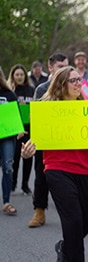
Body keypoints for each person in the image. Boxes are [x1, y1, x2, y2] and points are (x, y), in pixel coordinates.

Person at [21, 66, 88, 262]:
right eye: (74, 80)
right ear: (62, 84)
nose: (79, 83)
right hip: (58, 170)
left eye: (79, 79)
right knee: (73, 221)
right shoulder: (47, 109)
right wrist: (27, 152)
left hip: (86, 171)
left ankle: (65, 247)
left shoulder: (87, 108)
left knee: (85, 221)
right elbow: (34, 140)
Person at [28, 52, 69, 228]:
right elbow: (37, 117)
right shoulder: (41, 89)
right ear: (50, 67)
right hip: (45, 140)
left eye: (67, 66)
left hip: (66, 139)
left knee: (70, 176)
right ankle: (39, 210)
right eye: (61, 67)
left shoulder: (72, 86)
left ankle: (81, 212)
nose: (64, 70)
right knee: (41, 176)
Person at [7, 64, 35, 195]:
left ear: (25, 76)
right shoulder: (9, 90)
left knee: (28, 158)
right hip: (14, 130)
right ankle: (13, 184)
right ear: (13, 76)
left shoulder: (31, 90)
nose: (19, 77)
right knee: (15, 157)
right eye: (17, 74)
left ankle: (25, 185)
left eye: (21, 75)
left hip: (29, 129)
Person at [0, 66, 19, 215]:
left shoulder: (9, 95)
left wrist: (18, 129)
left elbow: (16, 115)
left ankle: (6, 202)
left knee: (8, 167)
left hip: (7, 137)